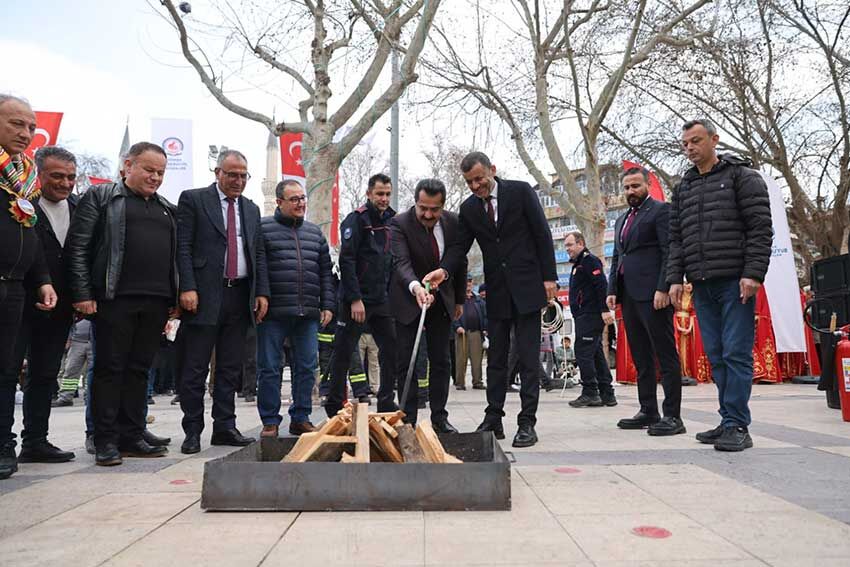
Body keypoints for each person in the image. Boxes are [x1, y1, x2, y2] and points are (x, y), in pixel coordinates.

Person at [426, 151, 557, 448]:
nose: (475, 186)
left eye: (479, 179)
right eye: (469, 182)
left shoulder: (520, 191)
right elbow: (459, 248)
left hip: (527, 287)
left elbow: (542, 234)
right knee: (496, 358)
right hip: (496, 292)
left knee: (527, 357)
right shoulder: (470, 209)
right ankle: (493, 417)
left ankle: (527, 422)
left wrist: (549, 278)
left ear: (492, 170)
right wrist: (444, 271)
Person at [67, 142, 178, 466]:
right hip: (114, 299)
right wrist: (83, 294)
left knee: (139, 370)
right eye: (149, 169)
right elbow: (79, 248)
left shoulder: (166, 208)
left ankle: (132, 433)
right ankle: (104, 439)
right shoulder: (102, 198)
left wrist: (175, 296)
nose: (155, 177)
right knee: (109, 369)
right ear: (128, 165)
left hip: (156, 301)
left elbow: (174, 258)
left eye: (160, 172)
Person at [668, 118, 772, 452]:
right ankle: (727, 417)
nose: (690, 149)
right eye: (685, 144)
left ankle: (738, 425)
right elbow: (676, 238)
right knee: (716, 355)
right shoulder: (683, 187)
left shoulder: (742, 177)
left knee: (735, 352)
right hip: (700, 283)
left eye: (696, 141)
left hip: (735, 281)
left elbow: (759, 228)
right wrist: (674, 278)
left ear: (714, 139)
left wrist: (753, 273)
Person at [175, 149, 269, 454]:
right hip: (203, 296)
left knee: (230, 367)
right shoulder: (194, 199)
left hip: (239, 295)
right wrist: (187, 287)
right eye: (232, 174)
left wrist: (261, 292)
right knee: (195, 366)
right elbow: (183, 247)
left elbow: (257, 254)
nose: (238, 181)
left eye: (243, 175)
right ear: (217, 172)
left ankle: (224, 427)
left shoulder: (252, 209)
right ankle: (192, 430)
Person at [9, 146, 80, 464]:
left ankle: (36, 440)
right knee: (8, 372)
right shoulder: (21, 204)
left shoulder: (79, 208)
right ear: (38, 174)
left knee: (45, 374)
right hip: (19, 302)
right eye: (57, 176)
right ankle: (3, 444)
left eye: (70, 177)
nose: (65, 183)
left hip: (61, 307)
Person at [0, 95, 58, 479]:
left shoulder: (26, 179)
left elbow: (30, 231)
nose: (25, 133)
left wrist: (43, 281)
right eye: (16, 124)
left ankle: (4, 444)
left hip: (16, 287)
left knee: (6, 370)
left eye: (31, 126)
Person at [607, 167, 684, 435]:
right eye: (627, 187)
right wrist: (612, 289)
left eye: (636, 186)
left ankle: (673, 416)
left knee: (665, 354)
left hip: (654, 296)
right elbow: (618, 257)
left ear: (648, 185)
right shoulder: (620, 220)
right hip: (628, 296)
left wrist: (664, 287)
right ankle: (648, 409)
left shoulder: (661, 211)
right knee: (641, 356)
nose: (631, 191)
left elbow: (669, 250)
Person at [257, 180, 333, 437]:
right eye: (294, 199)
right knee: (269, 367)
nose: (301, 203)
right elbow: (260, 269)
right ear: (278, 202)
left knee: (307, 367)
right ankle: (270, 420)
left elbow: (326, 273)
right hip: (273, 314)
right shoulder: (263, 229)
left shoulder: (315, 233)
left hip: (308, 313)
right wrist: (261, 296)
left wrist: (328, 305)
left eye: (302, 198)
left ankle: (300, 417)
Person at [390, 178, 466, 430]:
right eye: (423, 208)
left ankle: (439, 418)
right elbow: (401, 263)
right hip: (408, 298)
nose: (428, 214)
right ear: (416, 202)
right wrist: (416, 288)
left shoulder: (454, 223)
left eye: (434, 209)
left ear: (442, 207)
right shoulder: (399, 224)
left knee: (441, 361)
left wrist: (459, 299)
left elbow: (459, 260)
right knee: (405, 360)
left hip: (442, 299)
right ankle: (408, 419)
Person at [325, 174, 397, 416]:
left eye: (387, 193)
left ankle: (387, 400)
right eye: (379, 193)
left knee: (390, 351)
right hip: (355, 301)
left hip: (383, 300)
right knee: (344, 352)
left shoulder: (393, 220)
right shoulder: (356, 220)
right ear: (369, 194)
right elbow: (346, 260)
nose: (384, 198)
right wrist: (355, 299)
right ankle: (334, 403)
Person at [564, 231, 617, 408]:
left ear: (580, 243)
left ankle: (590, 392)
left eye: (570, 245)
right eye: (566, 246)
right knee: (595, 353)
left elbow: (601, 285)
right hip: (583, 315)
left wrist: (604, 310)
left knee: (582, 352)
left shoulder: (589, 260)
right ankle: (607, 393)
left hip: (591, 314)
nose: (567, 249)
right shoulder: (578, 264)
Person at [454, 278, 487, 391]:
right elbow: (453, 314)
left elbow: (485, 315)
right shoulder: (458, 299)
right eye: (466, 283)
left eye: (470, 283)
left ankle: (477, 382)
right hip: (462, 333)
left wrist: (485, 328)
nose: (468, 285)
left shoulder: (478, 300)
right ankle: (460, 382)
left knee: (477, 359)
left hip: (476, 332)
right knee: (461, 359)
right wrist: (457, 326)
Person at [54, 319, 93, 406]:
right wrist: (68, 338)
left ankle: (90, 397)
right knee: (70, 369)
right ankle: (65, 397)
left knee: (92, 372)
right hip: (77, 340)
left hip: (96, 340)